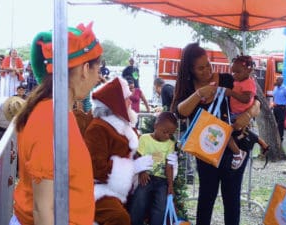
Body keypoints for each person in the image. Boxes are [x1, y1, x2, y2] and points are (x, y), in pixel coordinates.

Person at [11, 22, 103, 225]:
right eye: (99, 69)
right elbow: (42, 210)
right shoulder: (50, 121)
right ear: (86, 69)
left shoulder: (57, 112)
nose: (99, 77)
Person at [171, 42, 261, 225]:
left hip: (236, 148)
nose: (207, 71)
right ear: (190, 70)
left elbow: (255, 101)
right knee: (206, 196)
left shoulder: (228, 79)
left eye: (208, 65)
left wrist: (248, 114)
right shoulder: (188, 88)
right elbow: (179, 112)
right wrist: (198, 94)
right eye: (200, 68)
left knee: (232, 197)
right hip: (206, 149)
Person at [83, 77, 178, 225]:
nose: (131, 100)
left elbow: (142, 152)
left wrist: (171, 165)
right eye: (127, 98)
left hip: (131, 185)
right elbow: (96, 168)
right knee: (120, 218)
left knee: (157, 203)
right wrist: (132, 168)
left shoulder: (126, 125)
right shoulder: (98, 128)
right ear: (115, 102)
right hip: (103, 189)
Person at [128, 111, 177, 225]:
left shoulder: (170, 144)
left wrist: (170, 185)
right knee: (139, 200)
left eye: (170, 134)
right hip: (147, 177)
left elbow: (169, 165)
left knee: (160, 206)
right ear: (156, 126)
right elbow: (138, 155)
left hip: (162, 180)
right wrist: (142, 171)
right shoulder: (144, 139)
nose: (167, 136)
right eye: (165, 132)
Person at [224, 55, 257, 169]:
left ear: (249, 70)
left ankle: (238, 153)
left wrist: (231, 93)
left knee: (224, 133)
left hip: (240, 114)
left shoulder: (248, 82)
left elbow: (246, 99)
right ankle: (240, 139)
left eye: (238, 72)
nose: (234, 75)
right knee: (227, 133)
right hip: (234, 114)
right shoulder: (238, 81)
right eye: (233, 72)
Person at [272, 76, 286, 142]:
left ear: (281, 81)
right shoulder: (275, 88)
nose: (276, 81)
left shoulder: (285, 89)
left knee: (280, 123)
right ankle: (275, 136)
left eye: (277, 80)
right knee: (274, 122)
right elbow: (274, 96)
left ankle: (280, 137)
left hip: (282, 108)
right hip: (275, 107)